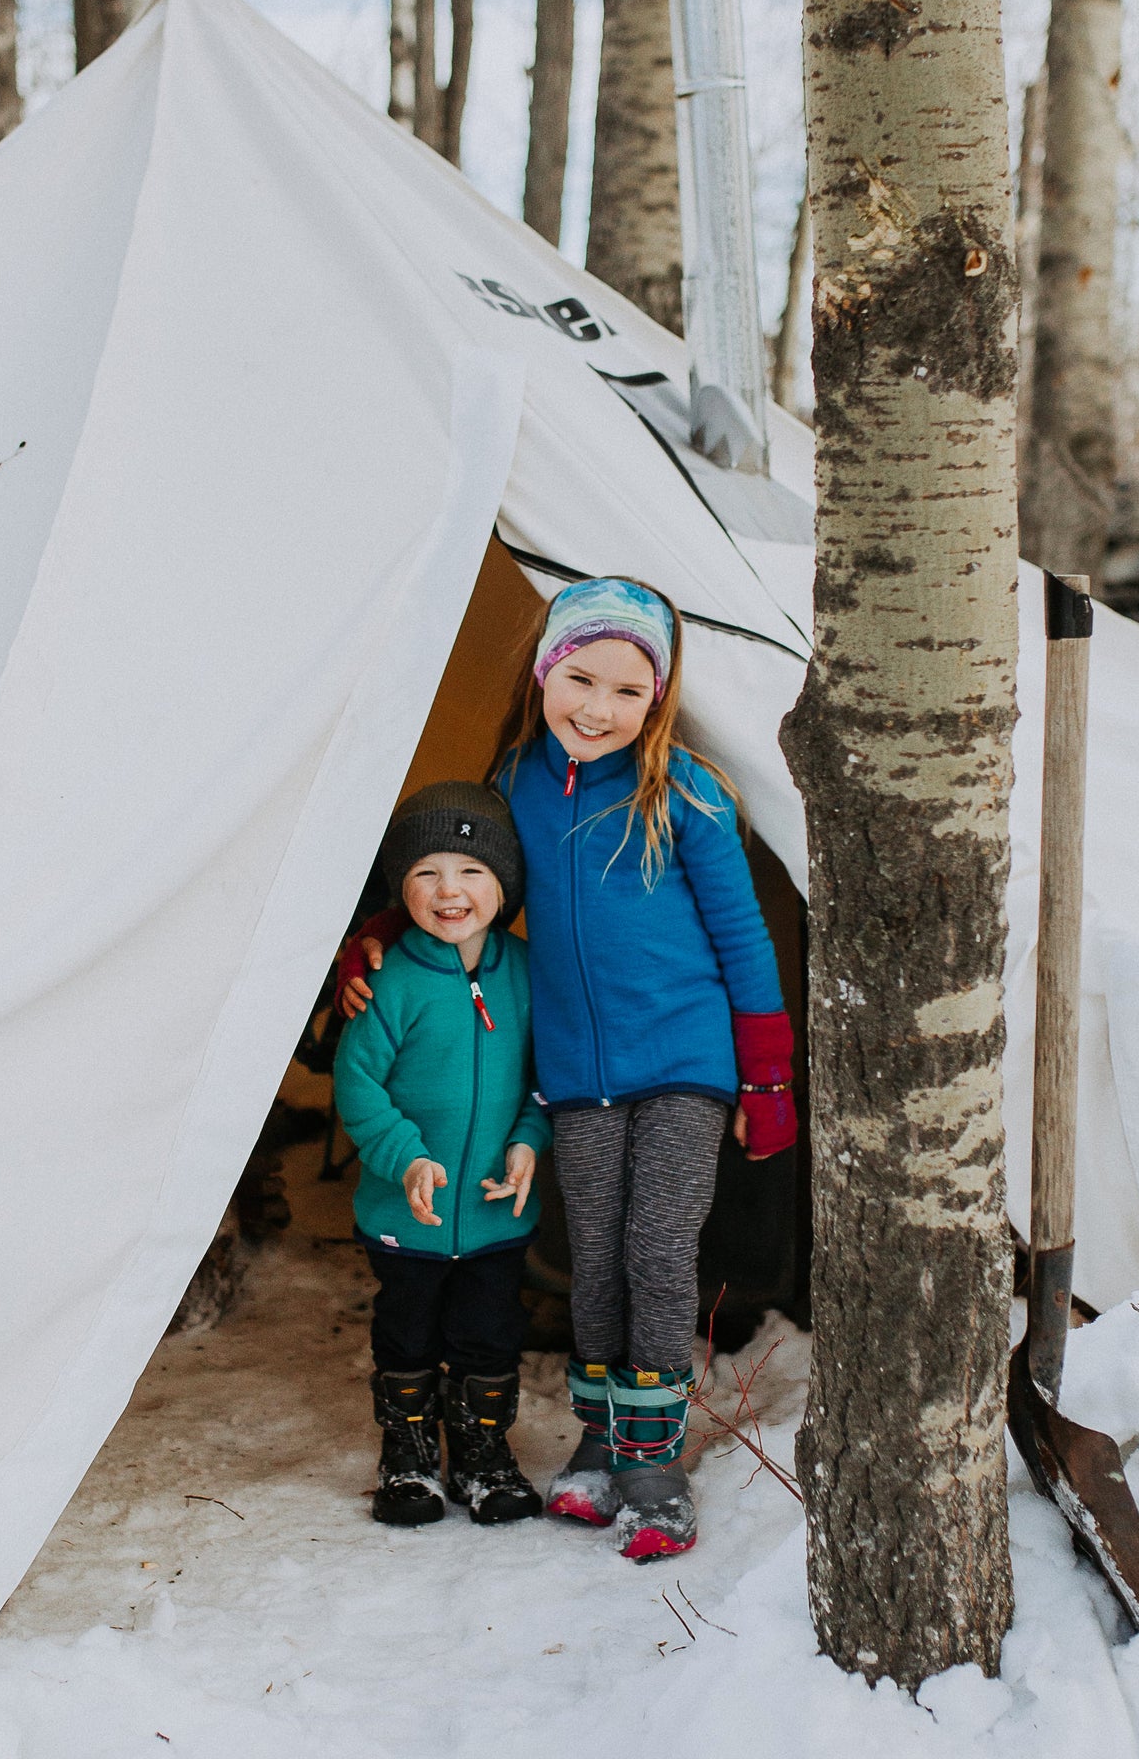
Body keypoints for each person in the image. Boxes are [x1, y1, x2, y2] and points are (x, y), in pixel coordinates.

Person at [340, 577, 796, 1560]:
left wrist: (765, 1081)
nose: (597, 707)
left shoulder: (687, 794)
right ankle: (599, 1439)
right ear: (544, 673)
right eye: (579, 679)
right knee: (591, 1259)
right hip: (578, 1071)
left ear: (659, 700)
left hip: (684, 1063)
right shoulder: (515, 786)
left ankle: (654, 1462)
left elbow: (747, 942)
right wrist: (380, 936)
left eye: (627, 692)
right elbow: (472, 893)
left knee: (657, 1254)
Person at [333, 782, 552, 1528]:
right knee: (408, 1331)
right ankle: (409, 1454)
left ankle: (484, 1456)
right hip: (408, 1213)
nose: (449, 891)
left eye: (472, 872)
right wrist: (407, 1157)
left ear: (505, 886)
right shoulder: (387, 980)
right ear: (402, 887)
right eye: (428, 872)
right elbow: (357, 1081)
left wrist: (528, 1141)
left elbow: (542, 1077)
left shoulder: (524, 973)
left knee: (489, 1335)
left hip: (495, 1212)